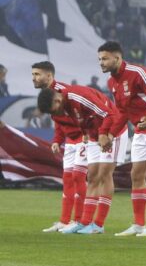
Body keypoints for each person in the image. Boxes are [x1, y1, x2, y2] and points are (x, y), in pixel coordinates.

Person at [99, 41, 146, 237]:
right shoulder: (112, 83)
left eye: (105, 59)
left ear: (117, 58)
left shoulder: (138, 72)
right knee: (136, 175)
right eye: (100, 59)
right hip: (140, 130)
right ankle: (139, 224)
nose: (101, 63)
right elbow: (121, 112)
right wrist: (110, 135)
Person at [36, 85, 129, 234]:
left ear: (57, 100)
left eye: (54, 111)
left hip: (113, 131)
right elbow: (82, 119)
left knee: (105, 175)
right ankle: (84, 222)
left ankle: (98, 224)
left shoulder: (78, 97)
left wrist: (105, 134)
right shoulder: (63, 106)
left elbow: (109, 114)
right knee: (92, 177)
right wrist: (85, 132)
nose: (55, 115)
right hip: (93, 135)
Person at [31, 61, 88, 233]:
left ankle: (79, 221)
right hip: (70, 140)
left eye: (37, 74)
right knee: (68, 179)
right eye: (33, 74)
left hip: (84, 137)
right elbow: (58, 121)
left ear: (49, 76)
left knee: (79, 177)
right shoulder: (47, 95)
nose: (33, 78)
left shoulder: (64, 92)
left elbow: (81, 113)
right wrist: (57, 140)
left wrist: (87, 134)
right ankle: (64, 221)